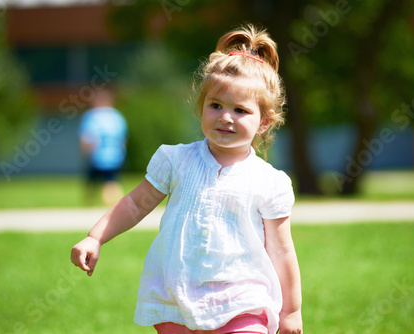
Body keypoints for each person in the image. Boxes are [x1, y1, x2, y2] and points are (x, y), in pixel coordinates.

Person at [71, 24, 303, 334]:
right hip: (178, 298)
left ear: (265, 122)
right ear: (201, 107)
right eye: (216, 105)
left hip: (243, 302)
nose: (225, 117)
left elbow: (282, 250)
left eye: (240, 110)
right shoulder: (176, 161)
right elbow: (136, 204)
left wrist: (290, 311)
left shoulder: (269, 182)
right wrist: (95, 236)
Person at [78, 88, 128, 206]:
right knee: (111, 181)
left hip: (97, 156)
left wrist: (85, 153)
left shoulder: (91, 116)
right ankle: (114, 205)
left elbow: (87, 138)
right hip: (116, 156)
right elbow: (123, 139)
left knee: (91, 183)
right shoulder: (117, 117)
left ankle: (89, 205)